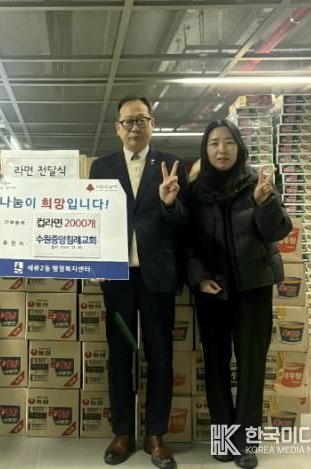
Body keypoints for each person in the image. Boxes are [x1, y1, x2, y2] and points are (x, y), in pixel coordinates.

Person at [186, 119, 292, 468]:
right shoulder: (194, 192)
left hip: (253, 288)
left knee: (251, 365)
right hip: (212, 291)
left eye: (229, 142)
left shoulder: (256, 183)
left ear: (239, 147)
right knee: (215, 365)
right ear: (205, 149)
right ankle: (223, 438)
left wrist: (264, 202)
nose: (222, 150)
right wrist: (200, 279)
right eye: (214, 143)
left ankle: (246, 443)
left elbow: (277, 231)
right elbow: (187, 243)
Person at [89, 95, 188, 469]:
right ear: (117, 128)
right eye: (128, 121)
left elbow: (183, 224)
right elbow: (92, 221)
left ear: (152, 124)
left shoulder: (171, 165)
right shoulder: (101, 167)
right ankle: (122, 433)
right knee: (119, 352)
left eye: (141, 120)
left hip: (157, 276)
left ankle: (155, 435)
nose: (134, 127)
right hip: (117, 279)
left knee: (160, 353)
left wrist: (168, 203)